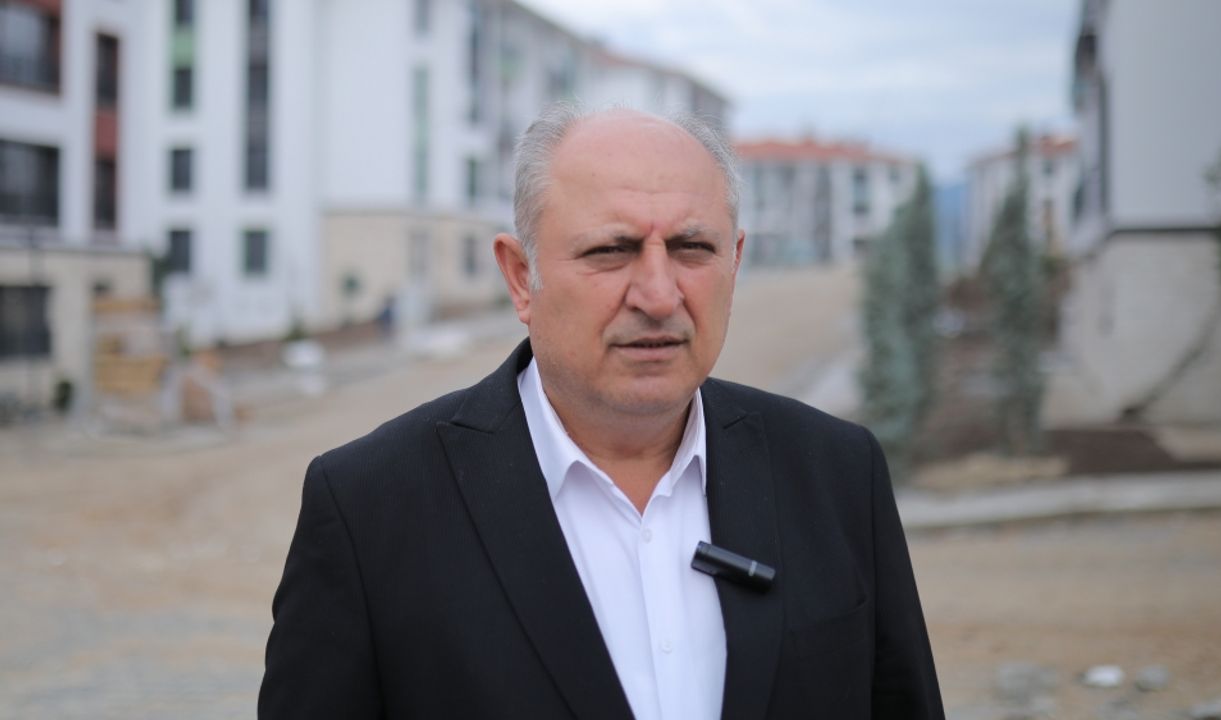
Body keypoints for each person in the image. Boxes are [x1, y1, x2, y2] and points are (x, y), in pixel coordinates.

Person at [260, 104, 944, 719]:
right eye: (611, 251)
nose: (658, 294)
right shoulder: (369, 509)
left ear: (735, 262)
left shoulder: (836, 473)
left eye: (692, 248)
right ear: (521, 276)